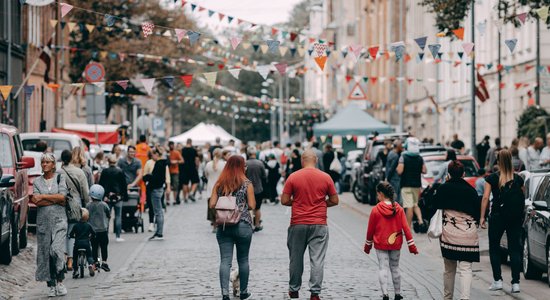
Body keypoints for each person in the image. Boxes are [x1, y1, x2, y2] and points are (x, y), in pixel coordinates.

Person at [281, 150, 339, 300]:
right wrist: (320, 204)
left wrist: (298, 202)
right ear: (316, 160)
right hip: (319, 223)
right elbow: (334, 200)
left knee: (296, 258)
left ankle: (294, 290)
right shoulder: (326, 177)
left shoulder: (293, 177)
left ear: (302, 160)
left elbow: (284, 200)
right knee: (317, 259)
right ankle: (315, 293)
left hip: (298, 223)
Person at [209, 156, 256, 300]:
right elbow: (252, 205)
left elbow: (212, 204)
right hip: (243, 224)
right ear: (242, 167)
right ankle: (243, 292)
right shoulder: (247, 183)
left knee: (225, 261)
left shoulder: (219, 184)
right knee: (243, 260)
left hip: (224, 225)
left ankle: (225, 294)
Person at [433, 161, 480, 300]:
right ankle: (465, 298)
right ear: (464, 174)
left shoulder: (444, 188)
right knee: (466, 269)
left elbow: (433, 205)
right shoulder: (471, 191)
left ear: (448, 173)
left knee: (449, 269)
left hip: (449, 234)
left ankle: (448, 297)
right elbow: (477, 213)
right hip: (468, 235)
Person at [364, 182, 418, 300]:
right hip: (396, 243)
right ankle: (398, 294)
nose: (377, 197)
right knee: (395, 267)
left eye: (377, 194)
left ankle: (385, 294)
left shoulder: (375, 210)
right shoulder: (398, 209)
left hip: (380, 243)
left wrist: (367, 245)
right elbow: (406, 228)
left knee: (383, 267)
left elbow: (370, 230)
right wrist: (411, 245)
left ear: (381, 194)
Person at [480, 149, 524, 293]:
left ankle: (497, 281)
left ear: (497, 161)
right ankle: (516, 283)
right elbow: (522, 198)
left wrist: (482, 217)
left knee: (494, 247)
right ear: (511, 160)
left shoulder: (492, 178)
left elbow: (485, 198)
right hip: (514, 218)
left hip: (497, 216)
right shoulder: (518, 179)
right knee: (515, 249)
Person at [31, 153, 68, 297]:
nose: (45, 164)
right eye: (43, 162)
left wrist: (44, 196)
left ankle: (60, 281)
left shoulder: (60, 178)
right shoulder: (37, 182)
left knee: (56, 250)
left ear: (53, 165)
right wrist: (55, 199)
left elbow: (63, 197)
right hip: (43, 223)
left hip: (59, 221)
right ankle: (51, 284)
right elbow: (36, 201)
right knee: (45, 254)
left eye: (48, 162)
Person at [58, 149, 90, 271]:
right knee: (72, 233)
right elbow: (85, 192)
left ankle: (63, 258)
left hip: (61, 204)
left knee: (62, 232)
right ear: (71, 158)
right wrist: (86, 204)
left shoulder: (58, 172)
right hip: (75, 206)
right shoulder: (79, 172)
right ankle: (70, 260)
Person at [396, 138, 427, 229]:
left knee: (409, 206)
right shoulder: (420, 158)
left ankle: (408, 228)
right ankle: (420, 221)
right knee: (415, 204)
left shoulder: (403, 157)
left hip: (406, 185)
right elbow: (424, 170)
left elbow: (400, 171)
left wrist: (398, 168)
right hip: (417, 185)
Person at [99, 155, 128, 242]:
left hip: (107, 197)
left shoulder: (105, 171)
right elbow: (124, 184)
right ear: (116, 162)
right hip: (118, 196)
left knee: (107, 217)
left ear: (108, 162)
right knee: (118, 216)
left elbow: (101, 183)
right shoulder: (120, 171)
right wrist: (124, 195)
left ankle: (106, 235)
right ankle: (118, 236)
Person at [144, 147, 170, 240]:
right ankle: (159, 231)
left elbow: (155, 178)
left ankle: (159, 233)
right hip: (160, 189)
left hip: (155, 189)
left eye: (153, 154)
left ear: (156, 154)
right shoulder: (163, 163)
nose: (152, 156)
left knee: (158, 212)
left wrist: (147, 177)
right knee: (159, 211)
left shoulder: (159, 164)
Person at [87, 184, 111, 272]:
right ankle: (104, 262)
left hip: (93, 231)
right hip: (103, 230)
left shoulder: (88, 205)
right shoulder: (104, 205)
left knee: (94, 247)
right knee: (104, 246)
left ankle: (96, 262)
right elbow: (108, 214)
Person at [69, 208, 96, 278]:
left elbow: (71, 234)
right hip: (86, 243)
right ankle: (90, 264)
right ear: (87, 217)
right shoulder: (88, 225)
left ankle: (76, 270)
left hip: (77, 243)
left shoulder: (75, 226)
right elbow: (93, 233)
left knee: (75, 257)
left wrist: (71, 236)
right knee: (89, 255)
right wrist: (91, 237)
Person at [204, 149, 227, 232]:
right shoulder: (224, 164)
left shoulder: (208, 164)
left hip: (210, 188)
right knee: (221, 208)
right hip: (221, 189)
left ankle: (214, 225)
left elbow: (206, 176)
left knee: (212, 209)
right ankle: (220, 225)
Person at [246, 147, 267, 232]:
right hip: (258, 188)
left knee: (248, 208)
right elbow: (264, 176)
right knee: (257, 208)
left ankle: (249, 224)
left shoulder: (245, 163)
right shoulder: (260, 163)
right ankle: (257, 224)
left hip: (247, 189)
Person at [386, 140, 403, 206]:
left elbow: (388, 167)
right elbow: (392, 168)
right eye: (401, 146)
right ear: (398, 146)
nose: (402, 147)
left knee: (392, 196)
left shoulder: (390, 153)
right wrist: (388, 178)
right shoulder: (395, 156)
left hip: (391, 178)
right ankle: (395, 211)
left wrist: (387, 178)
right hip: (395, 179)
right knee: (396, 197)